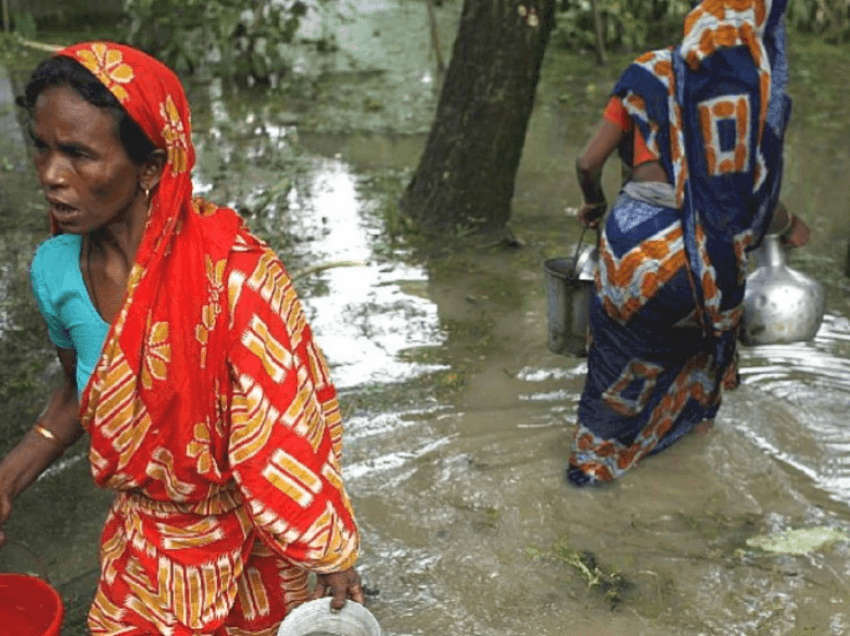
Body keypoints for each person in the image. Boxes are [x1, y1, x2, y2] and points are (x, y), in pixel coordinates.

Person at [0, 42, 365, 634]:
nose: (50, 175)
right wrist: (9, 477)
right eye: (42, 148)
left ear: (150, 167)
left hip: (254, 547)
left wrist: (331, 552)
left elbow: (285, 427)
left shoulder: (235, 275)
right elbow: (81, 393)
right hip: (147, 547)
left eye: (78, 154)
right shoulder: (56, 271)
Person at [569, 0, 810, 486]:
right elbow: (750, 201)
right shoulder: (750, 99)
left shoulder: (646, 70)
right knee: (698, 366)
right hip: (705, 266)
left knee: (615, 365)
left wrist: (594, 204)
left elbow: (588, 162)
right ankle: (684, 485)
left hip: (633, 249)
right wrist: (789, 225)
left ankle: (591, 474)